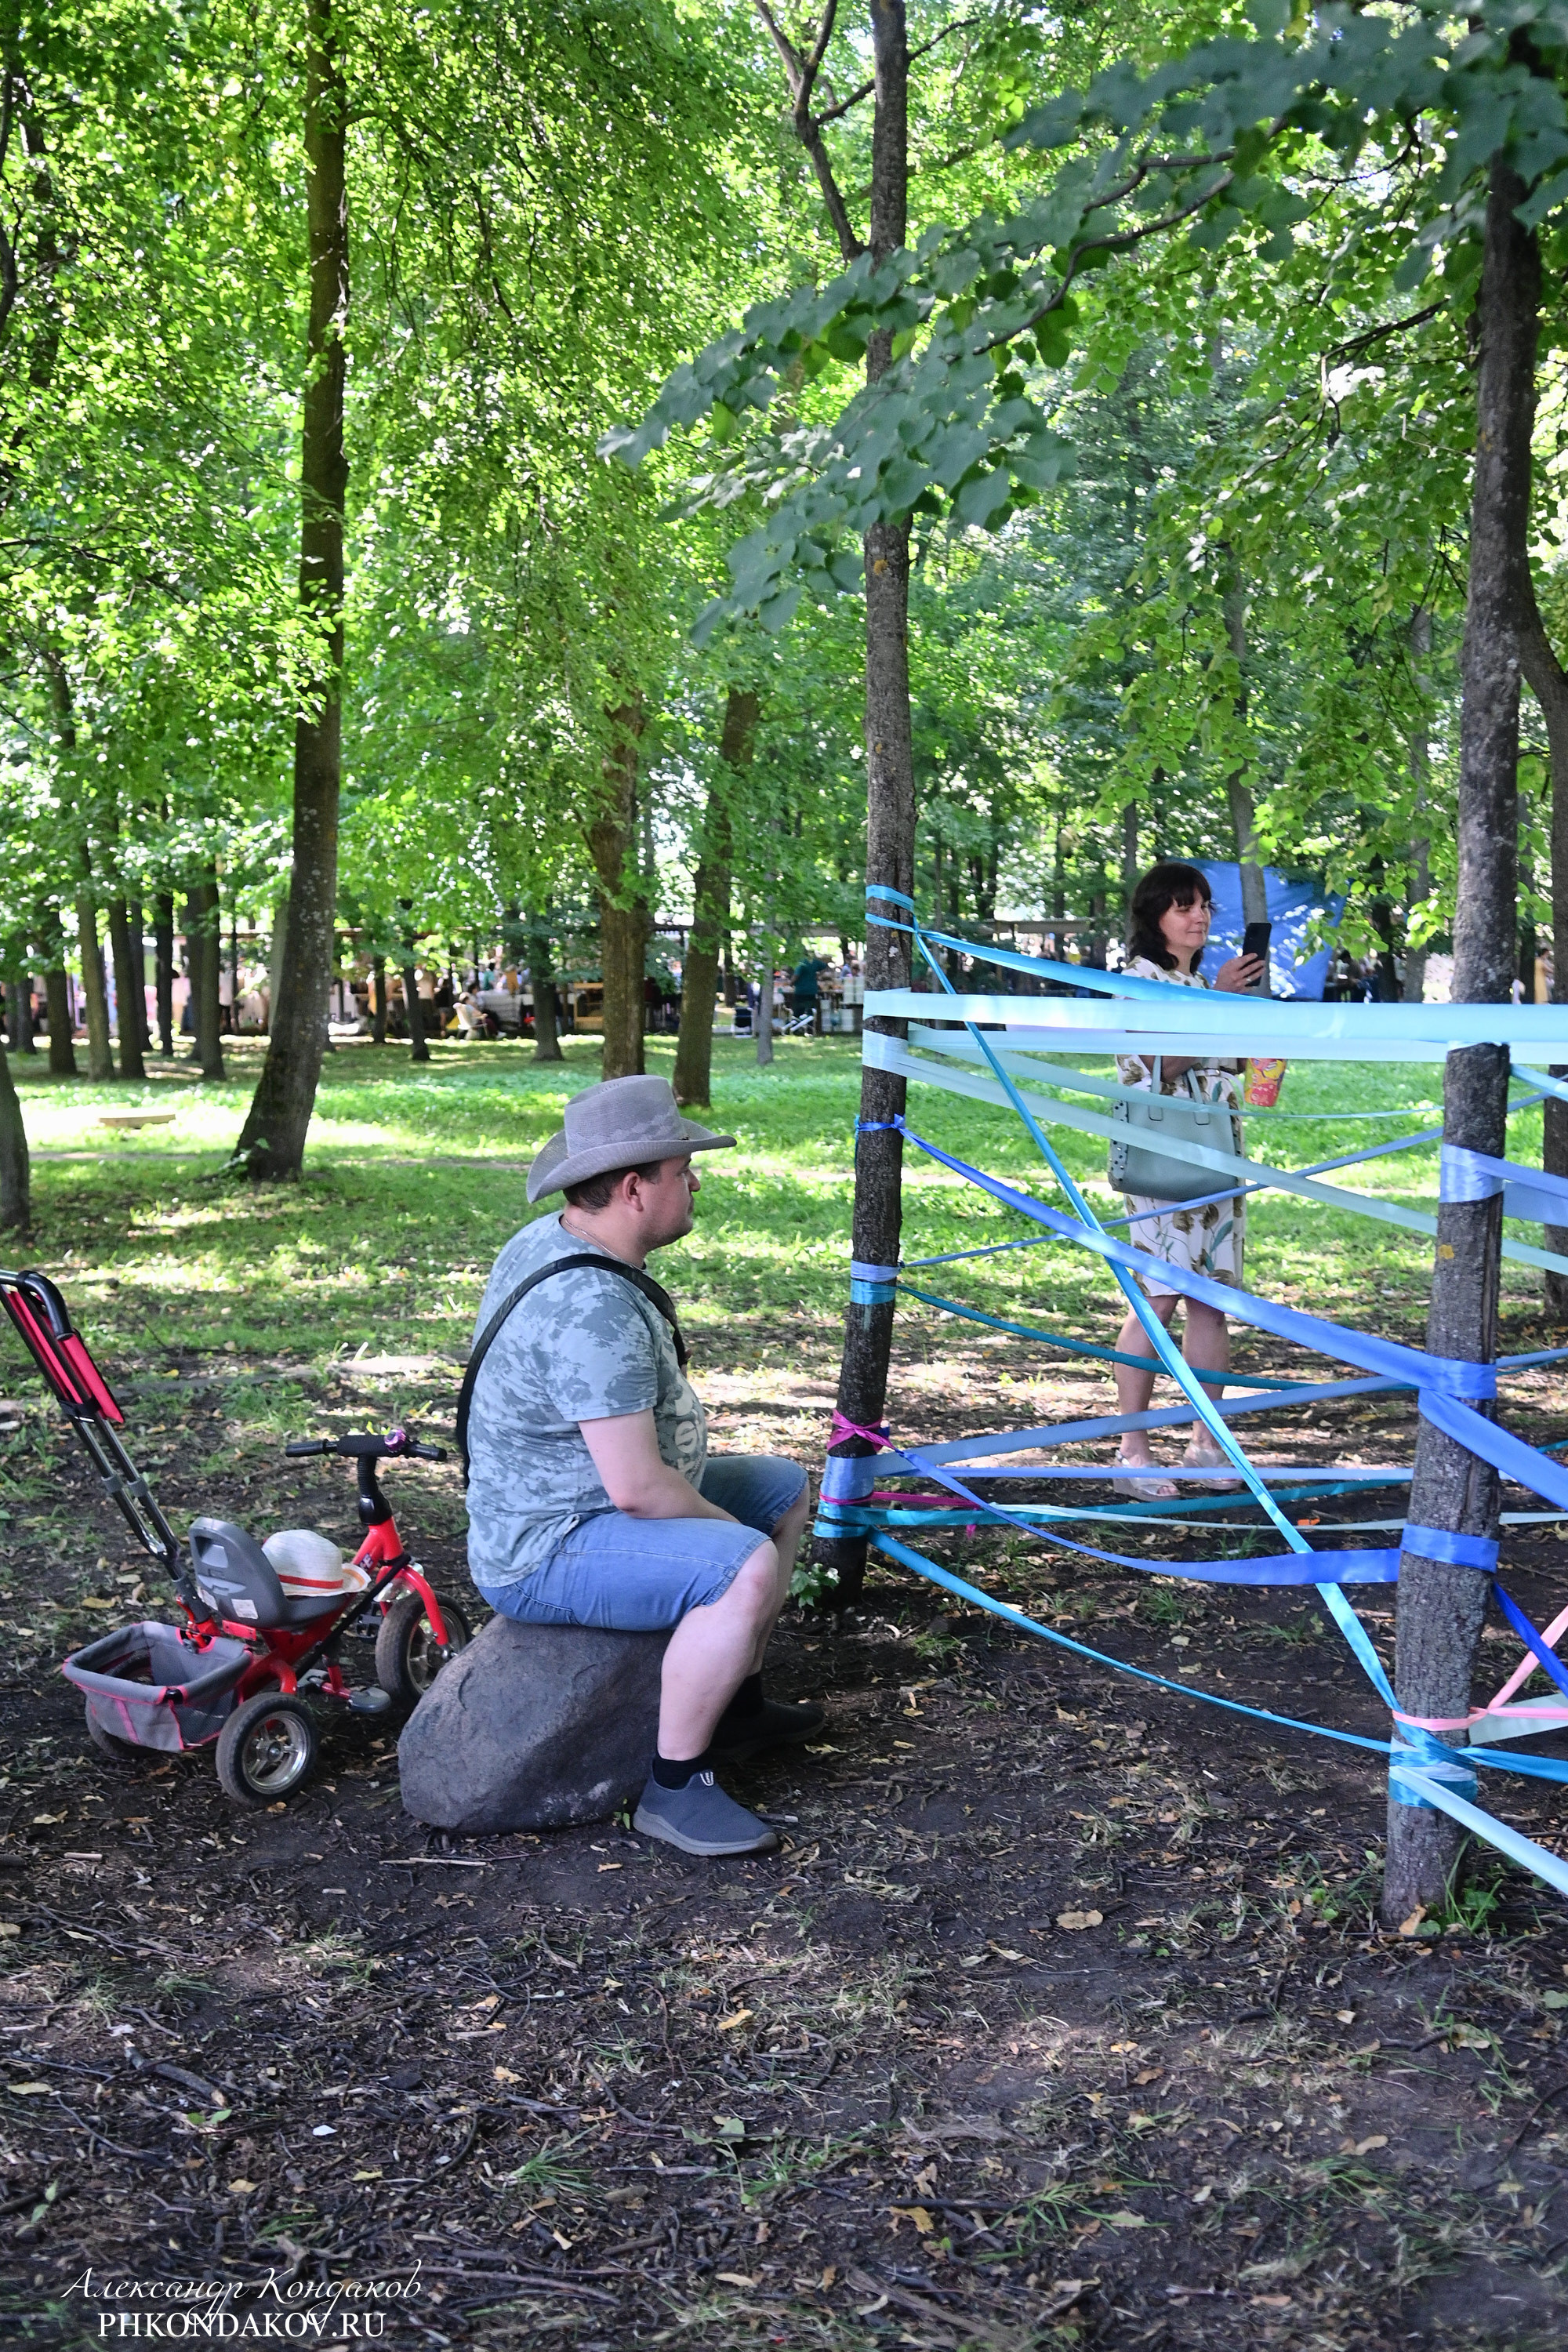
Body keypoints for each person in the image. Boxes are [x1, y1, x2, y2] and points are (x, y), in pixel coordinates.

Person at [464, 1075, 819, 1859]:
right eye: (681, 1170)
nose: (695, 1183)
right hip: (549, 1543)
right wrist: (730, 1542)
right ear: (633, 1189)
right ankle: (675, 1786)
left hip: (587, 1500)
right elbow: (637, 1489)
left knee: (781, 1491)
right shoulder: (590, 1309)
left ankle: (734, 1705)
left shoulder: (560, 1239)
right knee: (742, 1566)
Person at [1109, 862, 1265, 1498]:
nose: (1199, 916)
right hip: (1162, 1158)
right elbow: (1155, 1066)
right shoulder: (1137, 982)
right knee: (1159, 1298)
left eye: (1203, 905)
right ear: (1155, 915)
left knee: (1211, 1302)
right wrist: (1219, 1001)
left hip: (1217, 1156)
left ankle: (1206, 1444)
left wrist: (1255, 1035)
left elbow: (1226, 1067)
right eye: (1184, 906)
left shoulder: (1198, 982)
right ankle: (1132, 1451)